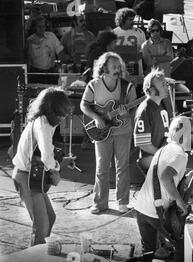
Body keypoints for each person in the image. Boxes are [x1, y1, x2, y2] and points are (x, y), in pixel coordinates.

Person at [12, 88, 72, 246]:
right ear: (50, 109)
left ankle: (38, 254)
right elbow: (46, 157)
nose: (62, 118)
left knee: (50, 219)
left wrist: (60, 162)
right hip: (25, 176)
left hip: (30, 175)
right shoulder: (43, 125)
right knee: (42, 226)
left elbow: (41, 154)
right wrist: (57, 168)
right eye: (60, 114)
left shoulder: (44, 121)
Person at [80, 52, 137, 214]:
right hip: (101, 131)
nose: (118, 69)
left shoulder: (128, 86)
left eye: (119, 66)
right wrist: (96, 117)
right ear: (104, 67)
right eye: (114, 67)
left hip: (123, 131)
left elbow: (134, 110)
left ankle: (122, 202)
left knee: (123, 167)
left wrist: (127, 114)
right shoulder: (93, 84)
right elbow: (84, 106)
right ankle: (100, 203)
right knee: (102, 168)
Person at [133, 116, 190, 262]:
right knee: (182, 247)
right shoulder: (179, 154)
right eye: (192, 132)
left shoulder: (163, 149)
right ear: (183, 134)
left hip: (141, 209)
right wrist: (179, 201)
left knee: (148, 252)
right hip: (155, 212)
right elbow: (165, 177)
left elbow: (149, 168)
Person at [134, 68, 171, 175]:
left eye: (166, 84)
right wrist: (161, 155)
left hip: (160, 156)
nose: (166, 87)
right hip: (150, 158)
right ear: (151, 90)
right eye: (162, 85)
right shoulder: (145, 110)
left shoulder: (161, 106)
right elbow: (142, 144)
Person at [26, 16, 66, 84]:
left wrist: (61, 66)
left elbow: (60, 52)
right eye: (39, 26)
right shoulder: (30, 40)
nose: (41, 29)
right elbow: (27, 59)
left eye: (43, 26)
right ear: (35, 27)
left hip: (51, 73)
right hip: (37, 74)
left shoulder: (51, 36)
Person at [112, 8, 147, 76]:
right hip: (118, 68)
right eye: (129, 19)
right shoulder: (114, 33)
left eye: (133, 19)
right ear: (122, 19)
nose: (132, 22)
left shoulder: (139, 32)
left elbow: (144, 50)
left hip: (135, 69)